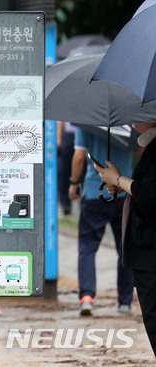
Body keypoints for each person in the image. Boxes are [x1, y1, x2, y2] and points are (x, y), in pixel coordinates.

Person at [94, 122, 156, 355]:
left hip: (150, 251)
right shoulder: (150, 145)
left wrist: (119, 179)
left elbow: (149, 196)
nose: (131, 120)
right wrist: (120, 184)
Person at [69, 128, 134, 316]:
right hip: (124, 191)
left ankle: (86, 298)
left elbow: (79, 157)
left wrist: (74, 183)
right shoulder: (129, 119)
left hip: (93, 192)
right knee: (124, 248)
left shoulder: (87, 122)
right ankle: (125, 302)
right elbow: (139, 150)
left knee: (87, 248)